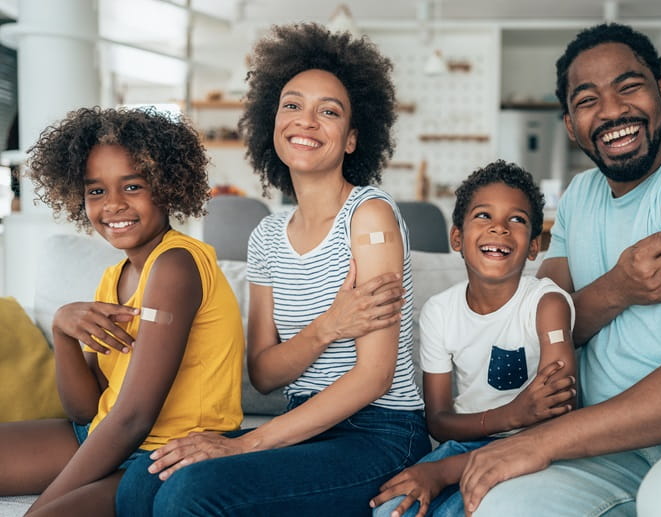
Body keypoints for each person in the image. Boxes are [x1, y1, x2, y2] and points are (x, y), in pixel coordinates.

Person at [458, 23, 661, 517]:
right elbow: (536, 335)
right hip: (616, 441)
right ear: (569, 124)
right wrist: (617, 288)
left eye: (628, 87)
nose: (611, 111)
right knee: (505, 506)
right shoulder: (580, 198)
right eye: (587, 100)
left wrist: (543, 443)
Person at [115, 23, 430, 517]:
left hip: (380, 433)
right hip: (304, 424)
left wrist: (243, 446)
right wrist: (329, 326)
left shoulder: (370, 216)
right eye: (292, 105)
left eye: (329, 111)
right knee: (143, 479)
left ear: (351, 139)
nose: (306, 121)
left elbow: (374, 376)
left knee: (188, 493)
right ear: (272, 121)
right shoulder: (266, 237)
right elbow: (263, 373)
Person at [0, 107, 244, 516]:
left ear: (167, 186)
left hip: (166, 453)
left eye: (131, 186)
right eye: (96, 191)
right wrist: (62, 331)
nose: (112, 205)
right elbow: (87, 409)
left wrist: (38, 508)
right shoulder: (114, 276)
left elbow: (134, 419)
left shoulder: (176, 266)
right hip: (103, 433)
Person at [369, 161, 577, 517]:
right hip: (465, 444)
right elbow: (438, 420)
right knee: (392, 509)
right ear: (457, 238)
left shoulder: (547, 304)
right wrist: (512, 414)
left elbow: (556, 411)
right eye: (484, 216)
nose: (499, 227)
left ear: (533, 247)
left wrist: (514, 423)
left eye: (517, 220)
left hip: (534, 447)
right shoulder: (439, 312)